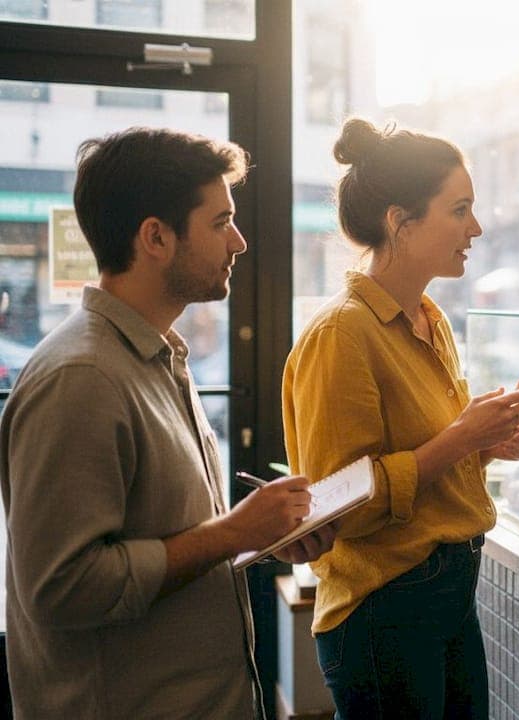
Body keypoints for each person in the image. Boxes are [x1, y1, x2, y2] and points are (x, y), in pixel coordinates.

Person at [0, 127, 336, 719]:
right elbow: (61, 588)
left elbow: (165, 539)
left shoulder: (155, 356)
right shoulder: (82, 377)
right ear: (155, 237)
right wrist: (232, 533)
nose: (239, 241)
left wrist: (260, 533)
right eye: (218, 222)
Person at [282, 117, 519, 719]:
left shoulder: (429, 318)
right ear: (400, 221)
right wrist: (461, 437)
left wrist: (486, 442)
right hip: (383, 611)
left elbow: (426, 449)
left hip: (449, 592)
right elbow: (340, 501)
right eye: (460, 210)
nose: (475, 227)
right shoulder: (341, 333)